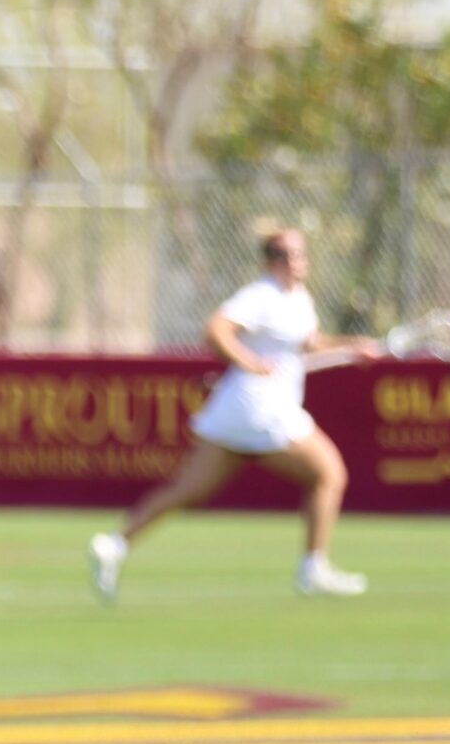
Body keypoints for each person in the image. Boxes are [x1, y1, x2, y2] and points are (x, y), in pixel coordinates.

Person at [88, 225, 382, 601]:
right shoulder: (260, 296)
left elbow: (310, 343)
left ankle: (113, 547)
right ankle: (313, 568)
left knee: (188, 491)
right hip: (260, 409)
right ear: (269, 261)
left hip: (236, 413)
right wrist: (248, 362)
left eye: (299, 254)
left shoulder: (298, 299)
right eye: (284, 255)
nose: (295, 261)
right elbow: (216, 330)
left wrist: (353, 346)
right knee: (329, 474)